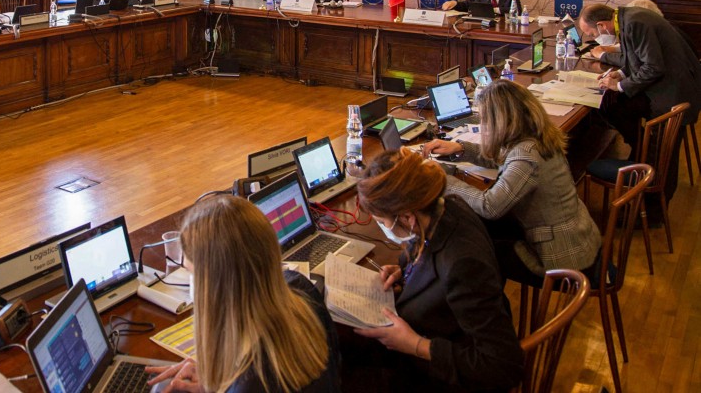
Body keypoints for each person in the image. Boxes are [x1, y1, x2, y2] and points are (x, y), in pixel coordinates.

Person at [352, 150, 522, 392]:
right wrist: (406, 269)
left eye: (382, 221)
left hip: (444, 375)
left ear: (408, 217)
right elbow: (426, 252)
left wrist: (416, 345)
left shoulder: (463, 265)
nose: (382, 227)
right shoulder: (445, 208)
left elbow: (503, 367)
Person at [147, 194, 339, 393]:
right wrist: (221, 379)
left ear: (215, 285)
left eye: (191, 272)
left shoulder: (250, 383)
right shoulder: (300, 288)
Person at [421, 80, 601, 284]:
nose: (482, 123)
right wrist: (460, 149)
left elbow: (490, 206)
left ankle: (490, 309)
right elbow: (506, 158)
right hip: (576, 237)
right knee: (478, 233)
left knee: (470, 251)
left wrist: (444, 179)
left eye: (484, 118)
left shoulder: (527, 156)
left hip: (560, 257)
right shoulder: (536, 136)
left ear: (501, 121)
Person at [578, 3, 701, 215]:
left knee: (663, 155)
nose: (594, 39)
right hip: (670, 89)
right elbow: (638, 59)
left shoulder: (634, 23)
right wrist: (621, 74)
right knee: (617, 106)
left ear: (601, 25)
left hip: (673, 94)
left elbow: (653, 67)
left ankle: (650, 212)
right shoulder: (628, 19)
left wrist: (618, 86)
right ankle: (638, 151)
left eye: (592, 34)